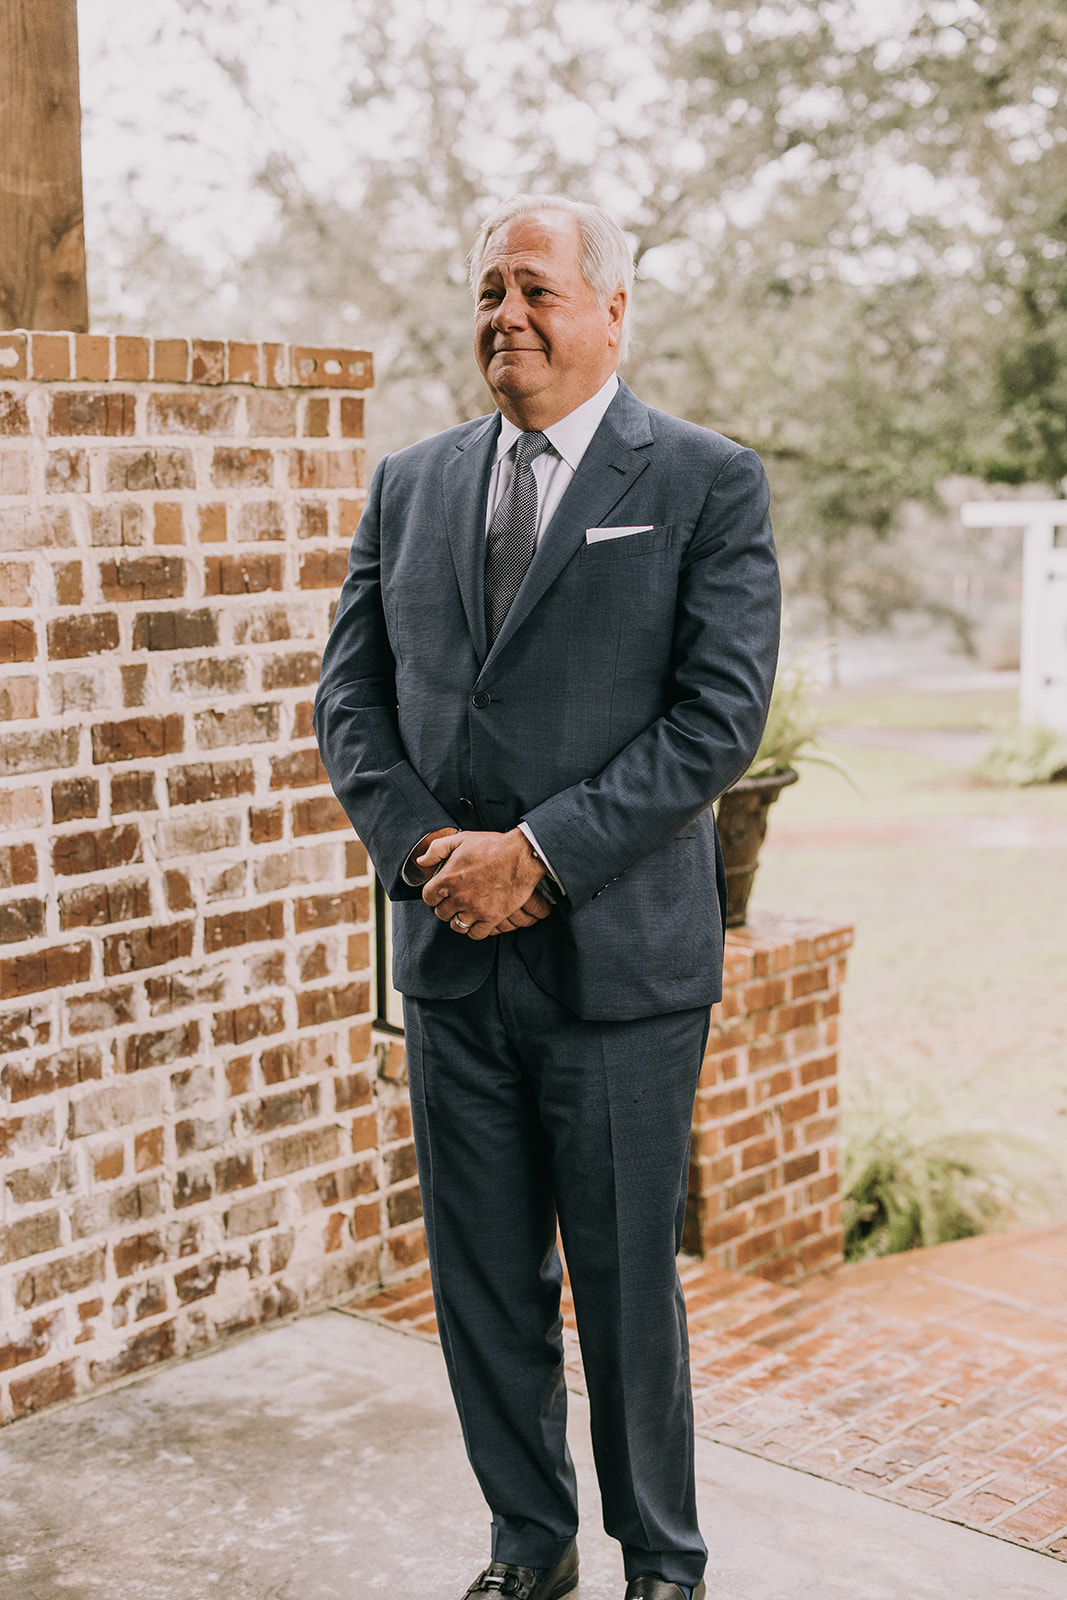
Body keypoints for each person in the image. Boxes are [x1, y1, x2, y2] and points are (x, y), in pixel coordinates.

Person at [313, 193, 780, 1600]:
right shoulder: (410, 483)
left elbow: (718, 720)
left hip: (621, 972)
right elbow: (350, 699)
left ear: (613, 310)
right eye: (486, 294)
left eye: (535, 289)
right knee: (482, 1290)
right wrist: (428, 853)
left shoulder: (705, 481)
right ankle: (530, 1547)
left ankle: (662, 1562)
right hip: (453, 961)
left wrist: (542, 853)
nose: (505, 316)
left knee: (629, 1288)